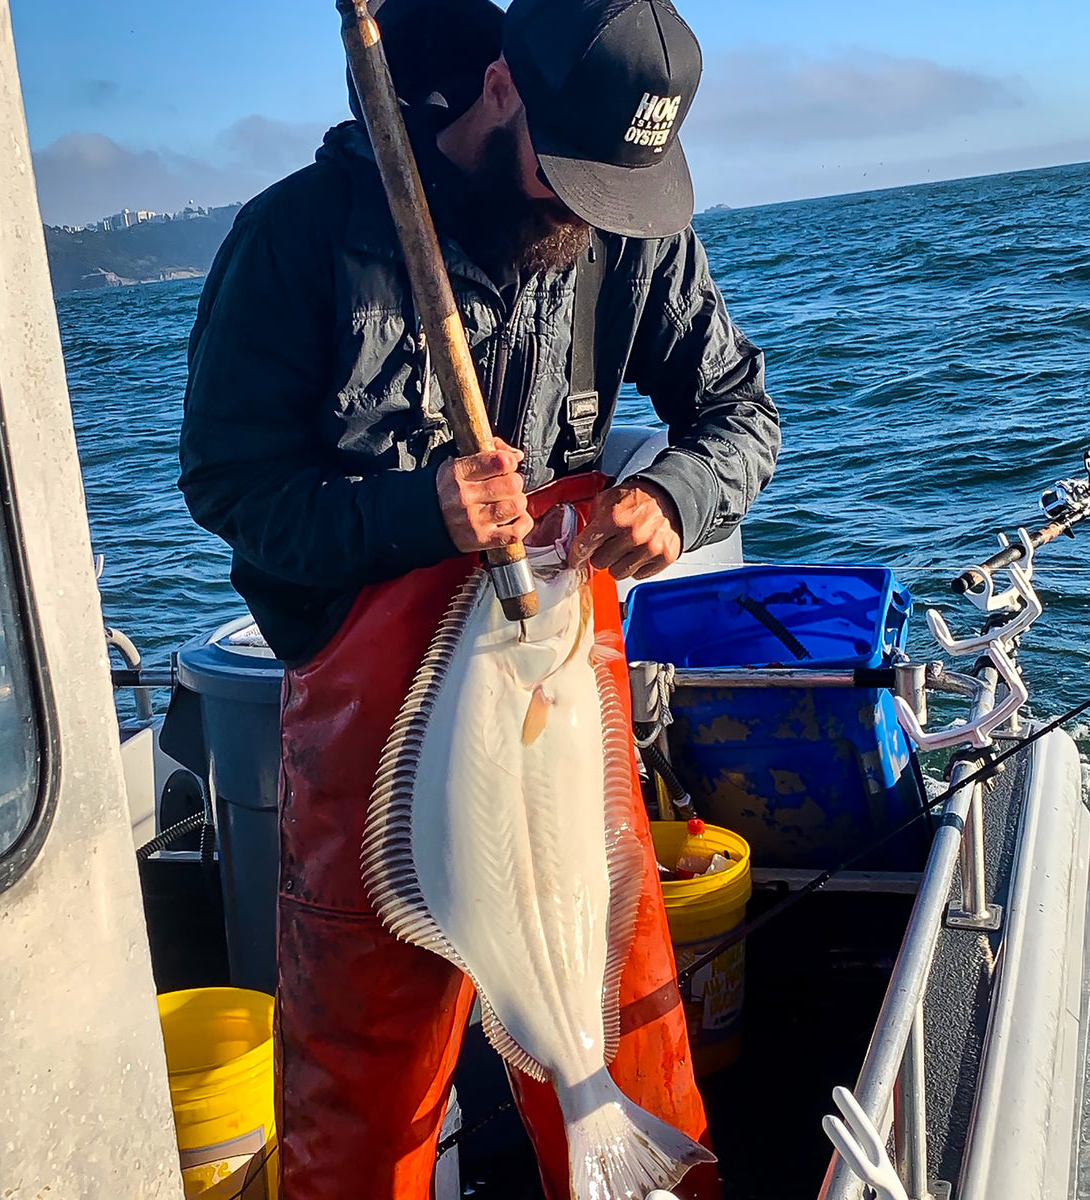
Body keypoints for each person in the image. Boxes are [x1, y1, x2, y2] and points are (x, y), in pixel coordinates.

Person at [179, 0, 780, 1195]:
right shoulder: (299, 238)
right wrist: (419, 515)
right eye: (572, 175)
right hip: (367, 766)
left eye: (622, 184)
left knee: (626, 1032)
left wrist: (675, 495)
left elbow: (738, 417)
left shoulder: (627, 229)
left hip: (564, 741)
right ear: (502, 87)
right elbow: (231, 487)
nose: (591, 207)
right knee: (366, 1090)